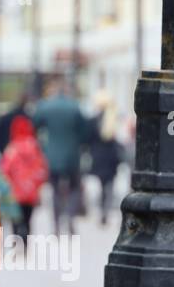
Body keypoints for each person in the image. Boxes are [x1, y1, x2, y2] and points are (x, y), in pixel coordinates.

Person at [32, 76, 88, 236]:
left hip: (52, 155)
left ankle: (56, 224)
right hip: (72, 154)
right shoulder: (74, 106)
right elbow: (85, 131)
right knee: (75, 188)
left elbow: (34, 125)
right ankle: (70, 216)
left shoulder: (45, 106)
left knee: (55, 190)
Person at [0, 114, 47, 241]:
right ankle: (26, 242)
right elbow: (42, 169)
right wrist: (36, 185)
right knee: (28, 219)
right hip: (31, 192)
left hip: (15, 192)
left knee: (16, 219)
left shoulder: (12, 148)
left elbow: (5, 170)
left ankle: (17, 243)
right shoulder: (35, 147)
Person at [87, 89, 123, 227]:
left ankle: (102, 210)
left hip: (98, 157)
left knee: (102, 186)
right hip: (111, 158)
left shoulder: (93, 120)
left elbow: (88, 139)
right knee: (110, 186)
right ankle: (105, 212)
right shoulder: (114, 119)